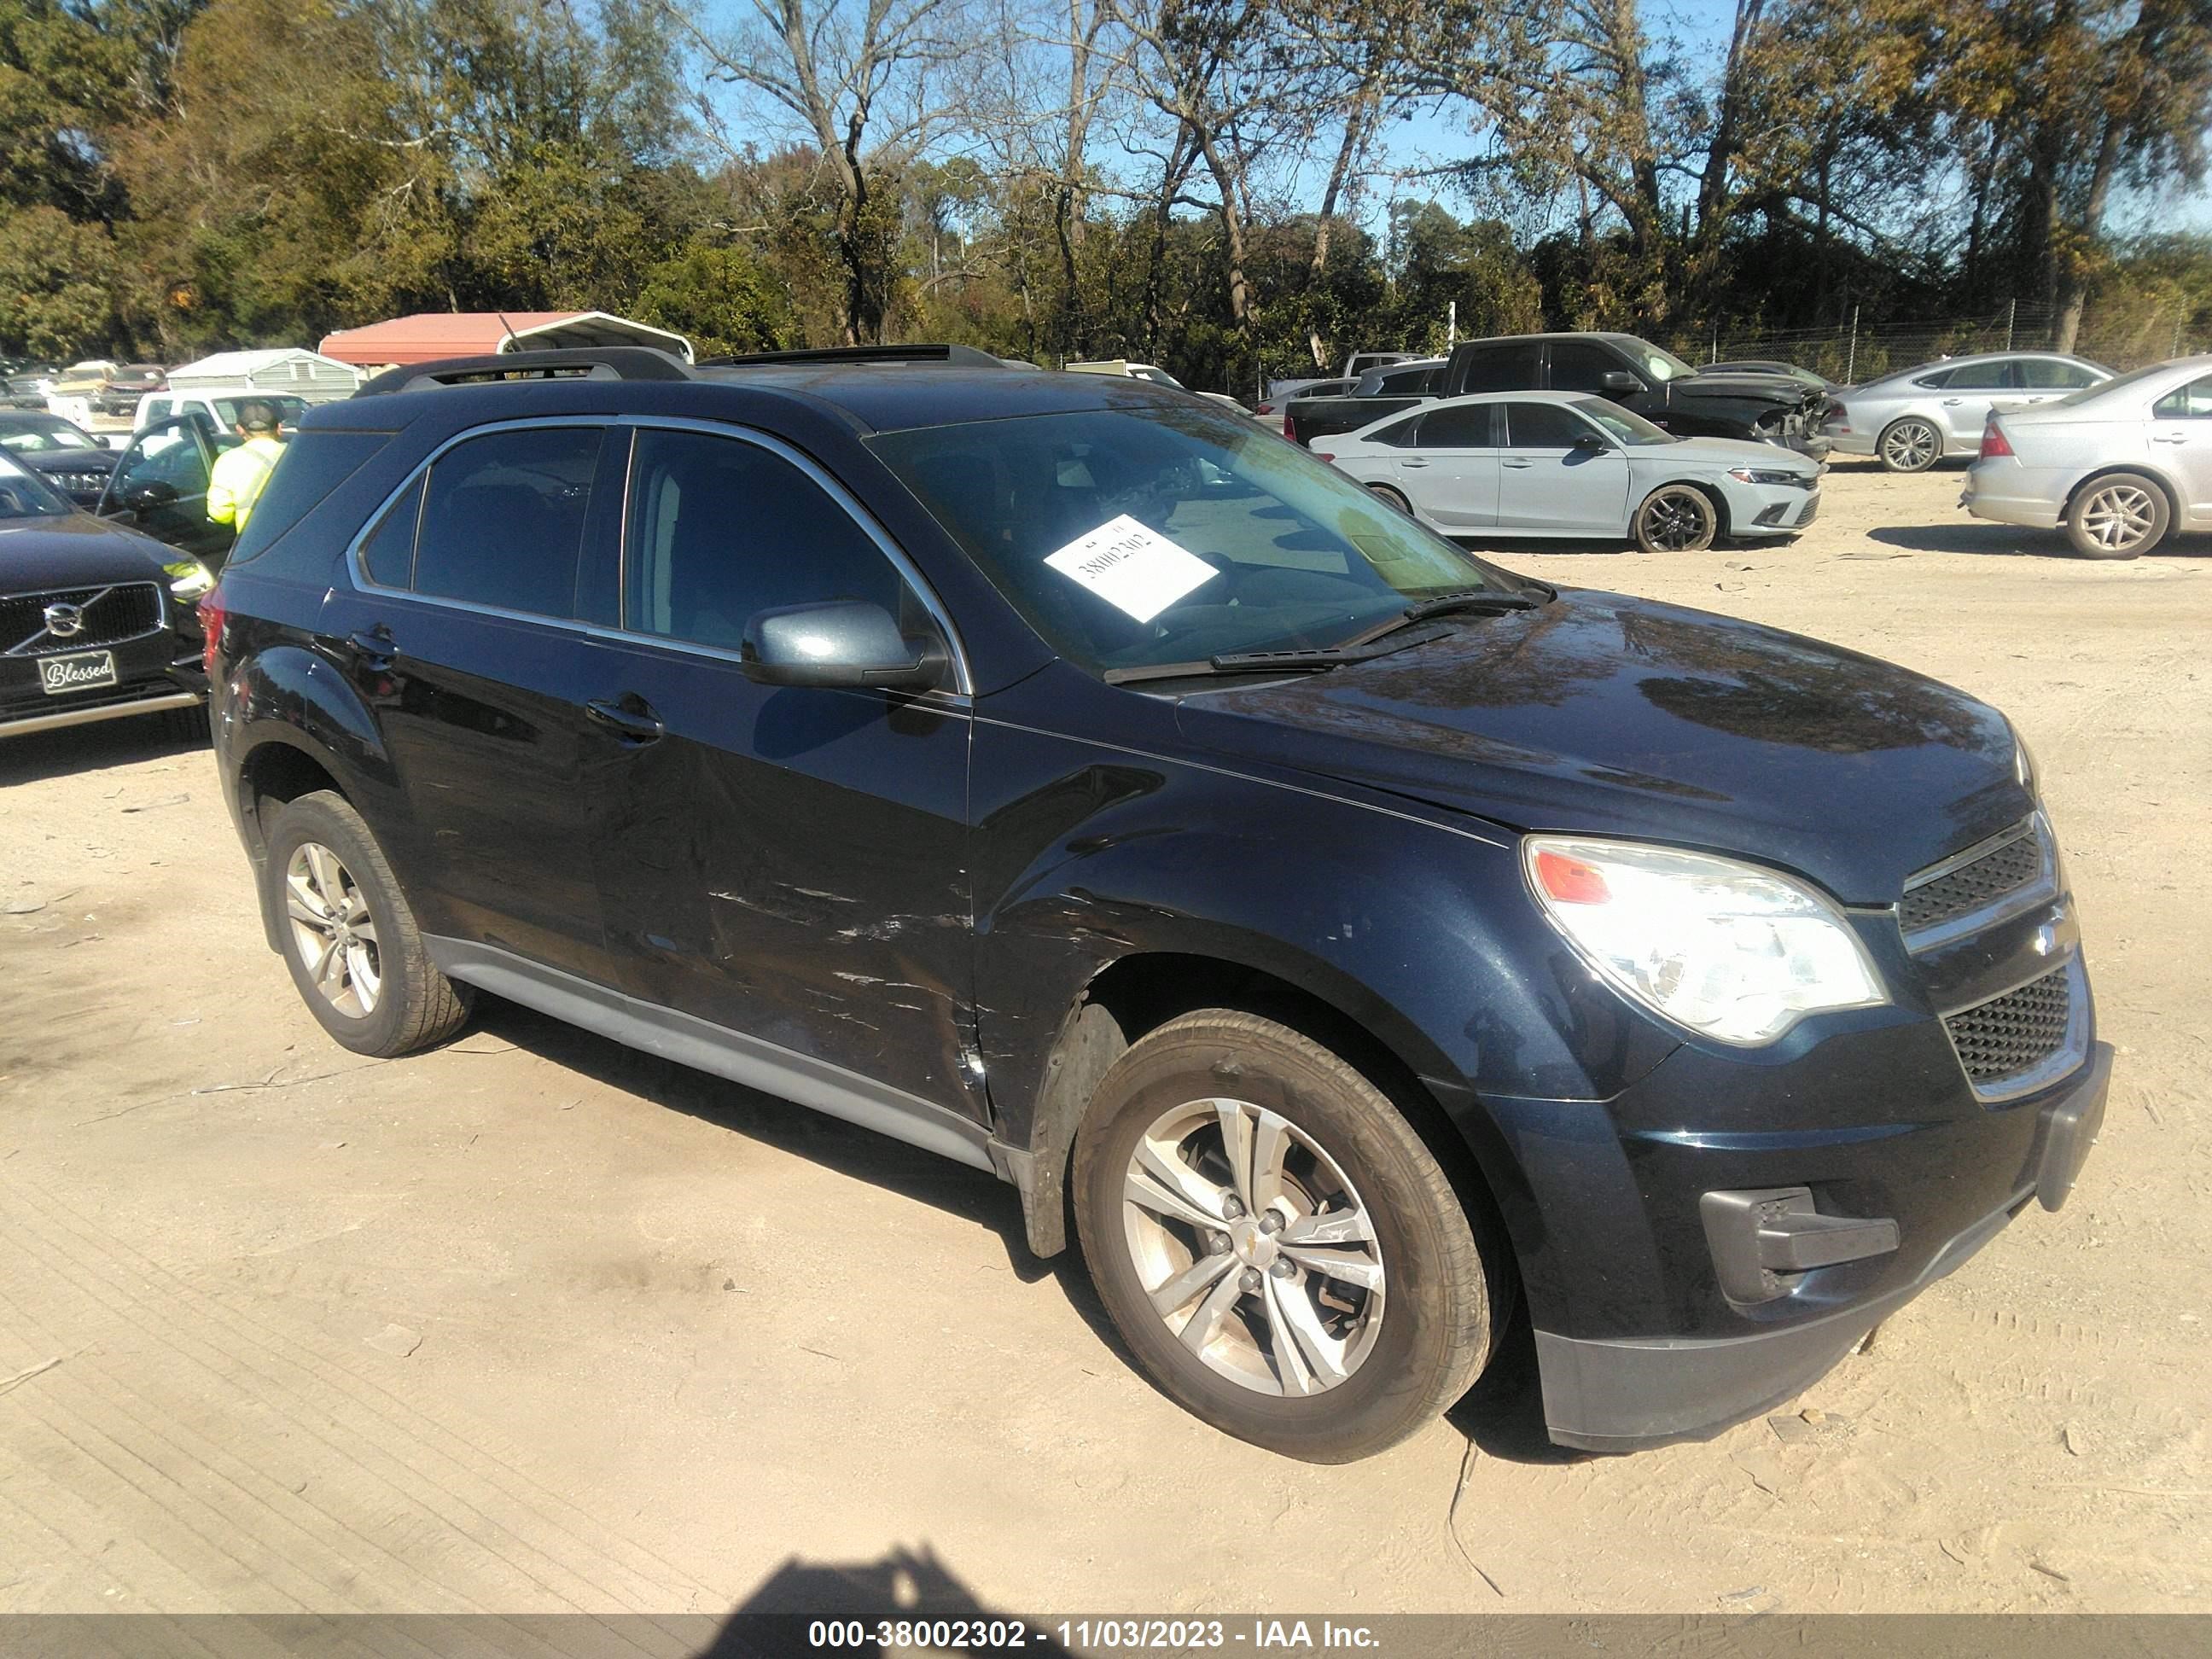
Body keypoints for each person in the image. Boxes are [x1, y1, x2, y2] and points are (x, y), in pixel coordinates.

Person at [207, 399, 286, 531]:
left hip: (254, 540)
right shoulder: (297, 455)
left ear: (239, 429)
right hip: (301, 537)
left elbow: (220, 514)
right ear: (279, 428)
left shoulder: (228, 461)